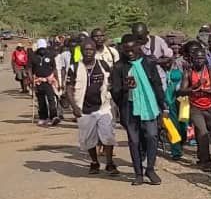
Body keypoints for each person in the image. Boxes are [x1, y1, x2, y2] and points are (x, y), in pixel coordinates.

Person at [111, 34, 168, 186]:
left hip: (149, 106)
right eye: (126, 50)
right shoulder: (118, 67)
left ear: (138, 47)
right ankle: (138, 174)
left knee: (152, 136)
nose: (130, 53)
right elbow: (114, 92)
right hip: (129, 108)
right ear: (122, 49)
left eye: (132, 49)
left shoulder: (148, 62)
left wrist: (163, 105)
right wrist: (124, 87)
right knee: (134, 141)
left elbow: (157, 85)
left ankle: (150, 169)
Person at [65, 39, 117, 175]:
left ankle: (110, 163)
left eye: (91, 49)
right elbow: (69, 89)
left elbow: (112, 81)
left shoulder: (103, 65)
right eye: (86, 49)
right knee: (89, 139)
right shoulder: (74, 67)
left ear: (95, 51)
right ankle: (94, 162)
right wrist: (74, 107)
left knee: (108, 136)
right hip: (84, 109)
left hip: (103, 107)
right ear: (81, 51)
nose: (88, 52)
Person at [179, 46, 211, 172]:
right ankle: (206, 162)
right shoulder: (188, 72)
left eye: (202, 58)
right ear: (192, 59)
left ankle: (200, 155)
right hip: (195, 107)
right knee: (203, 132)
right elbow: (181, 90)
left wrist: (207, 90)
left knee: (205, 131)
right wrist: (194, 88)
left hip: (209, 106)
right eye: (197, 58)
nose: (199, 61)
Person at [30, 39, 61, 126]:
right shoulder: (33, 56)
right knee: (41, 100)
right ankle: (43, 117)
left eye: (43, 48)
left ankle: (53, 116)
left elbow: (54, 68)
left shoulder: (50, 55)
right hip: (38, 81)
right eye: (40, 49)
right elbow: (29, 68)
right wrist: (31, 79)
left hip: (49, 80)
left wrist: (57, 79)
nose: (42, 50)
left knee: (51, 99)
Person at [163, 52, 187, 161]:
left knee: (183, 126)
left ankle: (181, 142)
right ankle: (176, 151)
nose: (166, 62)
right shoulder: (157, 72)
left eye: (168, 60)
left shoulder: (179, 69)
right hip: (167, 102)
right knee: (172, 127)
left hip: (181, 101)